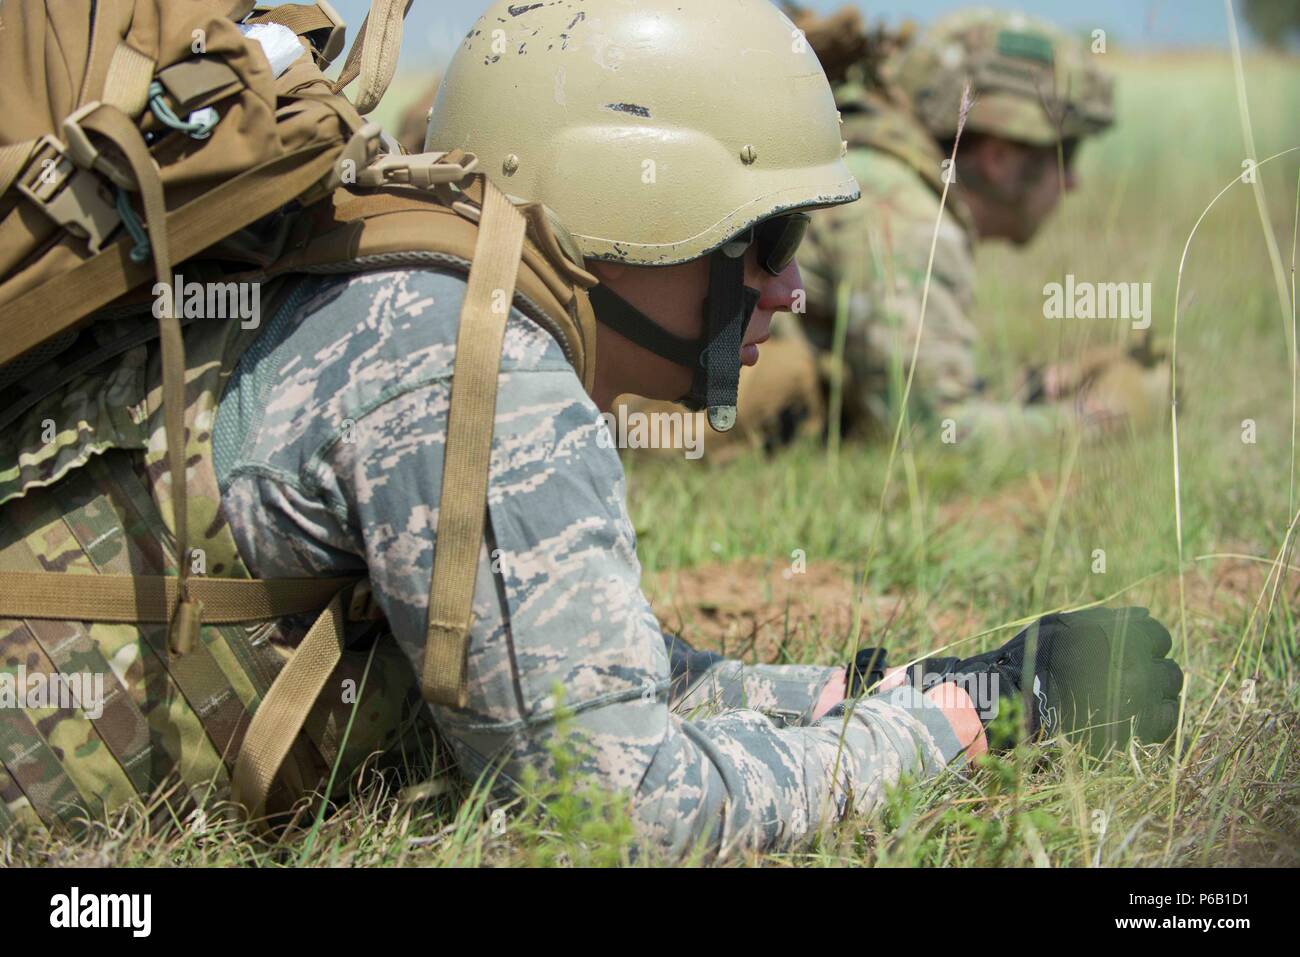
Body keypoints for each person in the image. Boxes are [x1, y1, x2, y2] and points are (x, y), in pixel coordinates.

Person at [0, 0, 1181, 860]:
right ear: (641, 209)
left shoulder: (409, 287)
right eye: (766, 241)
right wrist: (964, 727)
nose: (787, 292)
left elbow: (585, 678)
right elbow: (625, 812)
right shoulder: (462, 350)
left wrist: (871, 690)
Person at [792, 6, 1170, 443]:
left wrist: (1051, 385)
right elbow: (930, 430)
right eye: (1067, 154)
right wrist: (1105, 419)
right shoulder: (907, 219)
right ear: (999, 158)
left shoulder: (879, 177)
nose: (1073, 181)